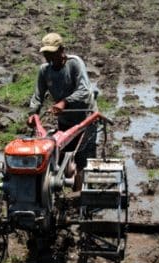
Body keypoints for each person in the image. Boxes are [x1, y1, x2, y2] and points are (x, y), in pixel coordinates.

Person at [28, 32, 98, 191]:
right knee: (61, 157)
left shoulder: (74, 64)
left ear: (62, 50)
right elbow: (38, 96)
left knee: (82, 158)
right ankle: (62, 191)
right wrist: (33, 113)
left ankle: (83, 195)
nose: (49, 58)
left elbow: (85, 90)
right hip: (65, 120)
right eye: (46, 54)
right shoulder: (44, 70)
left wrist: (64, 102)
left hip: (85, 117)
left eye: (52, 54)